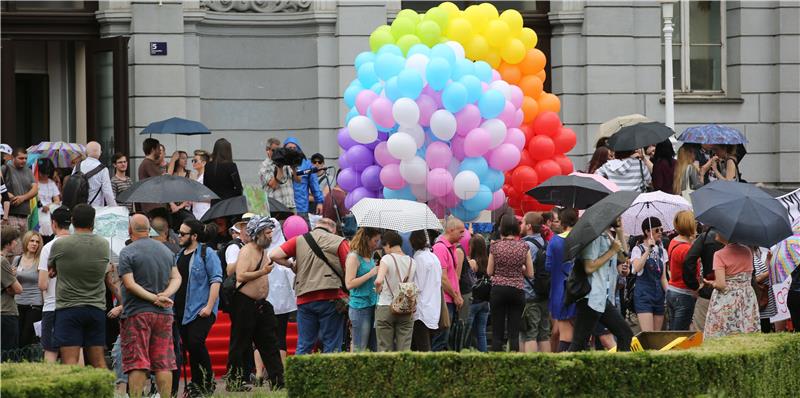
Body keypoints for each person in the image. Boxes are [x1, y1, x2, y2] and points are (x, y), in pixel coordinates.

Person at [118, 214, 181, 398]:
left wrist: (153, 297)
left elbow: (129, 284)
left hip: (137, 313)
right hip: (164, 312)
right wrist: (165, 295)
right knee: (163, 361)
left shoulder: (127, 252)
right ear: (149, 230)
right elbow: (177, 277)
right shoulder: (165, 251)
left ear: (130, 231)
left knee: (137, 362)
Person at [270, 218, 349, 354]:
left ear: (315, 227)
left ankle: (300, 375)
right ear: (333, 229)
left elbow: (274, 255)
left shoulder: (299, 240)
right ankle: (329, 375)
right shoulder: (339, 241)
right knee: (331, 342)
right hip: (331, 297)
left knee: (304, 344)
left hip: (304, 297)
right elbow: (349, 268)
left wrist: (291, 265)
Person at [47, 204, 109, 367]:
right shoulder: (103, 244)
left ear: (72, 221)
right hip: (96, 307)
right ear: (93, 222)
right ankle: (104, 392)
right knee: (98, 361)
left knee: (70, 362)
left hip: (68, 308)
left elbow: (51, 271)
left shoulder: (60, 244)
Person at [228, 216, 285, 391]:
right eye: (267, 232)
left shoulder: (264, 251)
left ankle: (277, 380)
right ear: (258, 233)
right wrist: (262, 272)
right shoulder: (247, 250)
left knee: (270, 342)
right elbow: (241, 275)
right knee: (239, 343)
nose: (270, 236)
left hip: (261, 304)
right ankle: (234, 381)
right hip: (244, 303)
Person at [174, 220, 223, 395]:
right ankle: (196, 385)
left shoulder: (207, 253)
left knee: (196, 343)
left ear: (194, 236)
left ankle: (207, 382)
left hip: (201, 310)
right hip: (180, 310)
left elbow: (216, 280)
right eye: (179, 232)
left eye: (182, 233)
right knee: (190, 347)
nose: (179, 236)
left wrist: (209, 306)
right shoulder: (179, 255)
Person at [569, 226, 633, 352]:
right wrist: (611, 251)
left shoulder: (608, 235)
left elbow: (623, 258)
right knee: (579, 343)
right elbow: (589, 267)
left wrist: (619, 231)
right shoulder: (592, 237)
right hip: (590, 298)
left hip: (603, 298)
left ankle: (621, 370)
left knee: (625, 334)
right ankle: (561, 370)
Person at [487, 215, 533, 352]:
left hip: (498, 290)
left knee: (497, 333)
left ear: (502, 228)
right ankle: (513, 364)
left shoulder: (495, 247)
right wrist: (521, 268)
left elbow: (489, 271)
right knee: (514, 333)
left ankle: (495, 364)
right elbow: (530, 273)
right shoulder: (524, 247)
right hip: (517, 290)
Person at [702, 233, 760, 338]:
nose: (716, 232)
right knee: (746, 330)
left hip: (727, 299)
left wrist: (711, 283)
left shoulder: (719, 254)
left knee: (724, 334)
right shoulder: (748, 251)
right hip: (747, 297)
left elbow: (721, 285)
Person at [373, 230, 416, 352]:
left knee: (385, 349)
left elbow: (378, 281)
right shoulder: (413, 262)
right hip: (405, 308)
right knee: (404, 350)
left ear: (388, 244)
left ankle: (387, 371)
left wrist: (378, 289)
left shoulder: (386, 259)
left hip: (386, 306)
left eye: (384, 246)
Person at [37, 207, 70, 363]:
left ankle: (48, 387)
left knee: (50, 351)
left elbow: (43, 284)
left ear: (54, 223)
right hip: (77, 306)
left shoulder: (48, 248)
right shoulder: (79, 245)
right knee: (77, 353)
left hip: (53, 306)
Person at [431, 217, 466, 351]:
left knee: (447, 339)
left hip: (450, 299)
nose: (463, 235)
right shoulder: (440, 248)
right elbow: (443, 278)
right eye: (461, 232)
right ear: (451, 230)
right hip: (445, 300)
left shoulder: (450, 248)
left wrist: (458, 295)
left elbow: (453, 277)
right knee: (441, 338)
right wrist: (456, 296)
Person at [546, 208, 578, 352]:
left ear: (562, 222)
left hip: (560, 291)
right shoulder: (582, 240)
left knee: (565, 336)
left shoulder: (554, 242)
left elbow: (548, 266)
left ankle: (560, 368)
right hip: (580, 290)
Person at [344, 227, 380, 352]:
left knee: (372, 347)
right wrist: (370, 274)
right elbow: (349, 283)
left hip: (372, 304)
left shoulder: (369, 256)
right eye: (375, 241)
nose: (377, 244)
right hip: (360, 307)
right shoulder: (353, 257)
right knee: (360, 347)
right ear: (367, 239)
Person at [630, 217, 668, 332]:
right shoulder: (638, 249)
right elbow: (636, 268)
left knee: (657, 335)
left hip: (658, 295)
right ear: (647, 231)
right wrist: (648, 250)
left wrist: (669, 293)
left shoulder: (662, 251)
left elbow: (663, 277)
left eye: (661, 229)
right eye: (657, 230)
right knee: (648, 334)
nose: (660, 232)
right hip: (643, 295)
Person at [683, 227, 725, 331]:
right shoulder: (740, 238)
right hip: (735, 294)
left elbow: (689, 261)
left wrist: (694, 285)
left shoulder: (705, 237)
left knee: (701, 333)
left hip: (709, 291)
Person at [520, 212, 550, 352]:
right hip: (544, 293)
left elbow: (527, 269)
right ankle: (546, 365)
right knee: (544, 333)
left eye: (523, 222)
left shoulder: (526, 245)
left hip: (529, 293)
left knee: (529, 333)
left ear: (529, 226)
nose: (521, 225)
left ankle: (529, 367)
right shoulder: (546, 242)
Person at [409, 229, 442, 352]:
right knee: (420, 346)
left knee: (423, 348)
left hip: (421, 310)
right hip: (433, 308)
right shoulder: (433, 257)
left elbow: (417, 286)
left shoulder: (419, 259)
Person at [665, 210, 699, 331]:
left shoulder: (673, 241)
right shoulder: (687, 249)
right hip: (684, 293)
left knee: (673, 331)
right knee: (679, 334)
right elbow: (692, 273)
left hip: (672, 290)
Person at [3, 148, 38, 251]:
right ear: (13, 158)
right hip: (10, 214)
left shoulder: (27, 170)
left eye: (25, 158)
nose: (24, 160)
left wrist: (23, 198)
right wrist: (10, 196)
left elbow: (35, 189)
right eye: (20, 158)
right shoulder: (5, 168)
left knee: (24, 248)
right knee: (12, 248)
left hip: (25, 214)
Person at [13, 231, 43, 348]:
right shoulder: (17, 259)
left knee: (26, 338)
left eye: (37, 242)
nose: (34, 244)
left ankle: (25, 363)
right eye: (32, 241)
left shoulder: (40, 261)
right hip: (17, 303)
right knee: (17, 336)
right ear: (26, 242)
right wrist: (13, 275)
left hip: (34, 305)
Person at [283, 138, 323, 221]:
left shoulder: (306, 164)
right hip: (284, 207)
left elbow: (314, 185)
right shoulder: (280, 162)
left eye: (294, 148)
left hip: (301, 207)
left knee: (303, 232)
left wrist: (319, 202)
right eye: (289, 148)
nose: (292, 150)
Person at [1, 226, 23, 359]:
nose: (17, 243)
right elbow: (18, 289)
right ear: (9, 241)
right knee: (9, 355)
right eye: (15, 240)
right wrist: (12, 277)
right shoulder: (2, 261)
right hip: (6, 312)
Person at [465, 234, 489, 352]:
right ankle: (484, 355)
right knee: (481, 333)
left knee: (468, 332)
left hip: (473, 300)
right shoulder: (488, 260)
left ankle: (468, 353)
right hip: (485, 301)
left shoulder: (473, 262)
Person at [259, 138, 296, 214]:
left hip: (290, 205)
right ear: (267, 150)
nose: (277, 153)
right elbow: (273, 185)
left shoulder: (285, 162)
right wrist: (280, 168)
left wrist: (294, 167)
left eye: (279, 150)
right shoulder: (265, 166)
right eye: (274, 150)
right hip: (276, 207)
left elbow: (298, 180)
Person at [74, 141, 116, 208]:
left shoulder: (77, 166)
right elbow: (108, 193)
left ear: (86, 152)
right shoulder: (103, 169)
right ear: (100, 153)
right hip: (96, 210)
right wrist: (115, 208)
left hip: (78, 209)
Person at [204, 138, 243, 205]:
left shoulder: (208, 166)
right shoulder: (231, 166)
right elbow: (239, 188)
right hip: (228, 204)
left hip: (214, 204)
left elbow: (206, 186)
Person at [752, 247, 777, 332]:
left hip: (762, 299)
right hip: (760, 299)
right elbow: (756, 279)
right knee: (763, 327)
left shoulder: (754, 254)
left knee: (765, 324)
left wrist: (768, 260)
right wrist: (770, 271)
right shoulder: (750, 256)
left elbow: (760, 272)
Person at [36, 158, 60, 240]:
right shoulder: (34, 183)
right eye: (42, 173)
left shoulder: (51, 183)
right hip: (36, 213)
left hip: (48, 214)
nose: (45, 176)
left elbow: (57, 200)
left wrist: (48, 206)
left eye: (47, 173)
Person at [138, 138, 164, 214]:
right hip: (153, 207)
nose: (160, 152)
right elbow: (161, 180)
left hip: (153, 205)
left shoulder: (149, 163)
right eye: (159, 149)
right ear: (153, 150)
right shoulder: (148, 163)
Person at [191, 150, 211, 221]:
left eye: (195, 161)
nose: (193, 163)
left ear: (203, 163)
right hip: (196, 213)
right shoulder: (196, 176)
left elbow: (212, 196)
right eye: (192, 161)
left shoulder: (208, 177)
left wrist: (196, 197)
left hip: (205, 212)